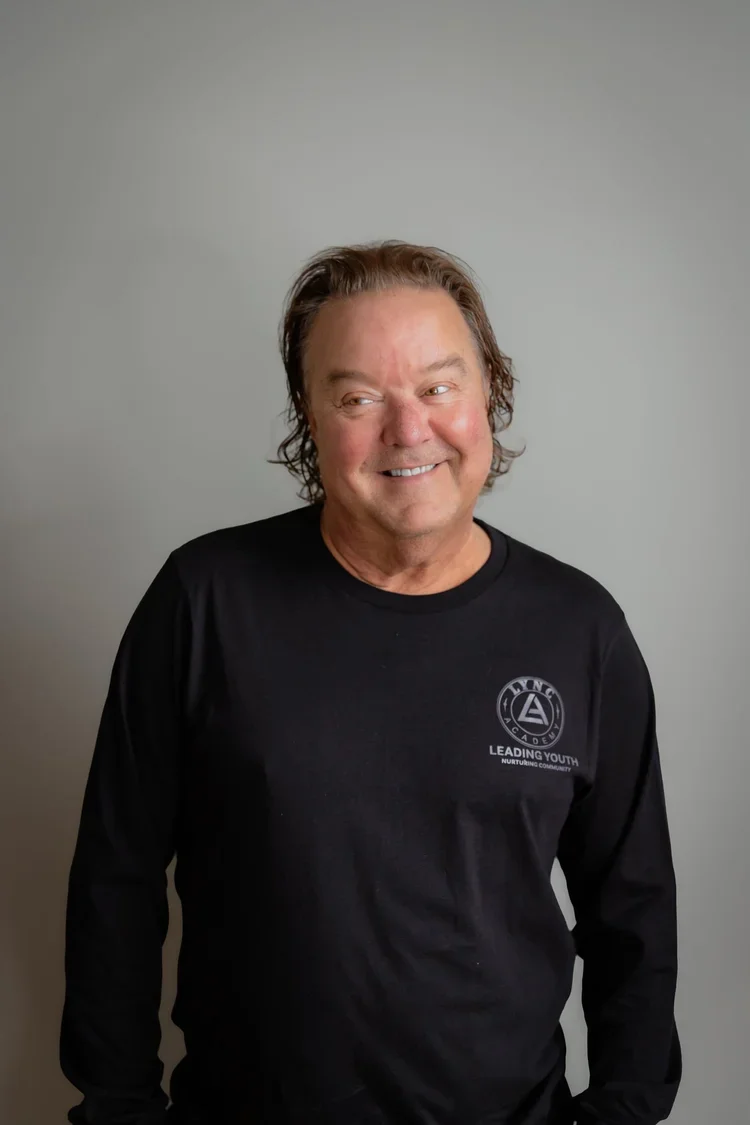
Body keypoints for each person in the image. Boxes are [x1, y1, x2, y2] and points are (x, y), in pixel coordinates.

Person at [60, 239, 682, 1125]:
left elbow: (635, 909)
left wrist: (623, 1110)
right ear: (310, 419)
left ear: (489, 395)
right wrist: (117, 1107)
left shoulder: (580, 629)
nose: (408, 428)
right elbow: (113, 879)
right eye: (358, 397)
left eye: (439, 385)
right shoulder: (204, 603)